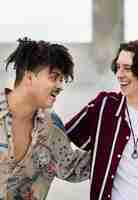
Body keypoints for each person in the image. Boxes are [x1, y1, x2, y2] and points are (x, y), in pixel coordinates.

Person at [65, 40, 138, 200]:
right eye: (118, 67)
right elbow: (60, 135)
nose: (119, 74)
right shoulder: (104, 106)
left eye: (127, 68)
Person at [0, 38, 90, 200]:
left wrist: (115, 138)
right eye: (54, 77)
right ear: (29, 78)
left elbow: (72, 168)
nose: (61, 86)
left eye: (62, 79)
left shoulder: (51, 126)